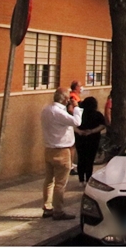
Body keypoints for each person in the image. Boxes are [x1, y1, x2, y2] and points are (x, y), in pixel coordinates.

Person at [41, 87, 83, 220]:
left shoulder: (46, 110)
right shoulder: (59, 113)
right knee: (60, 183)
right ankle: (58, 211)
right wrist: (76, 108)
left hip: (48, 149)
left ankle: (47, 207)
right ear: (66, 99)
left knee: (49, 180)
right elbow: (77, 122)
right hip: (62, 150)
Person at [74, 97, 106, 186]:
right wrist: (91, 131)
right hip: (93, 139)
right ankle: (88, 179)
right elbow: (102, 125)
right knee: (90, 160)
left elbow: (73, 125)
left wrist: (80, 132)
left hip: (80, 139)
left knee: (81, 159)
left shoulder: (80, 114)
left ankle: (81, 180)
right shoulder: (97, 114)